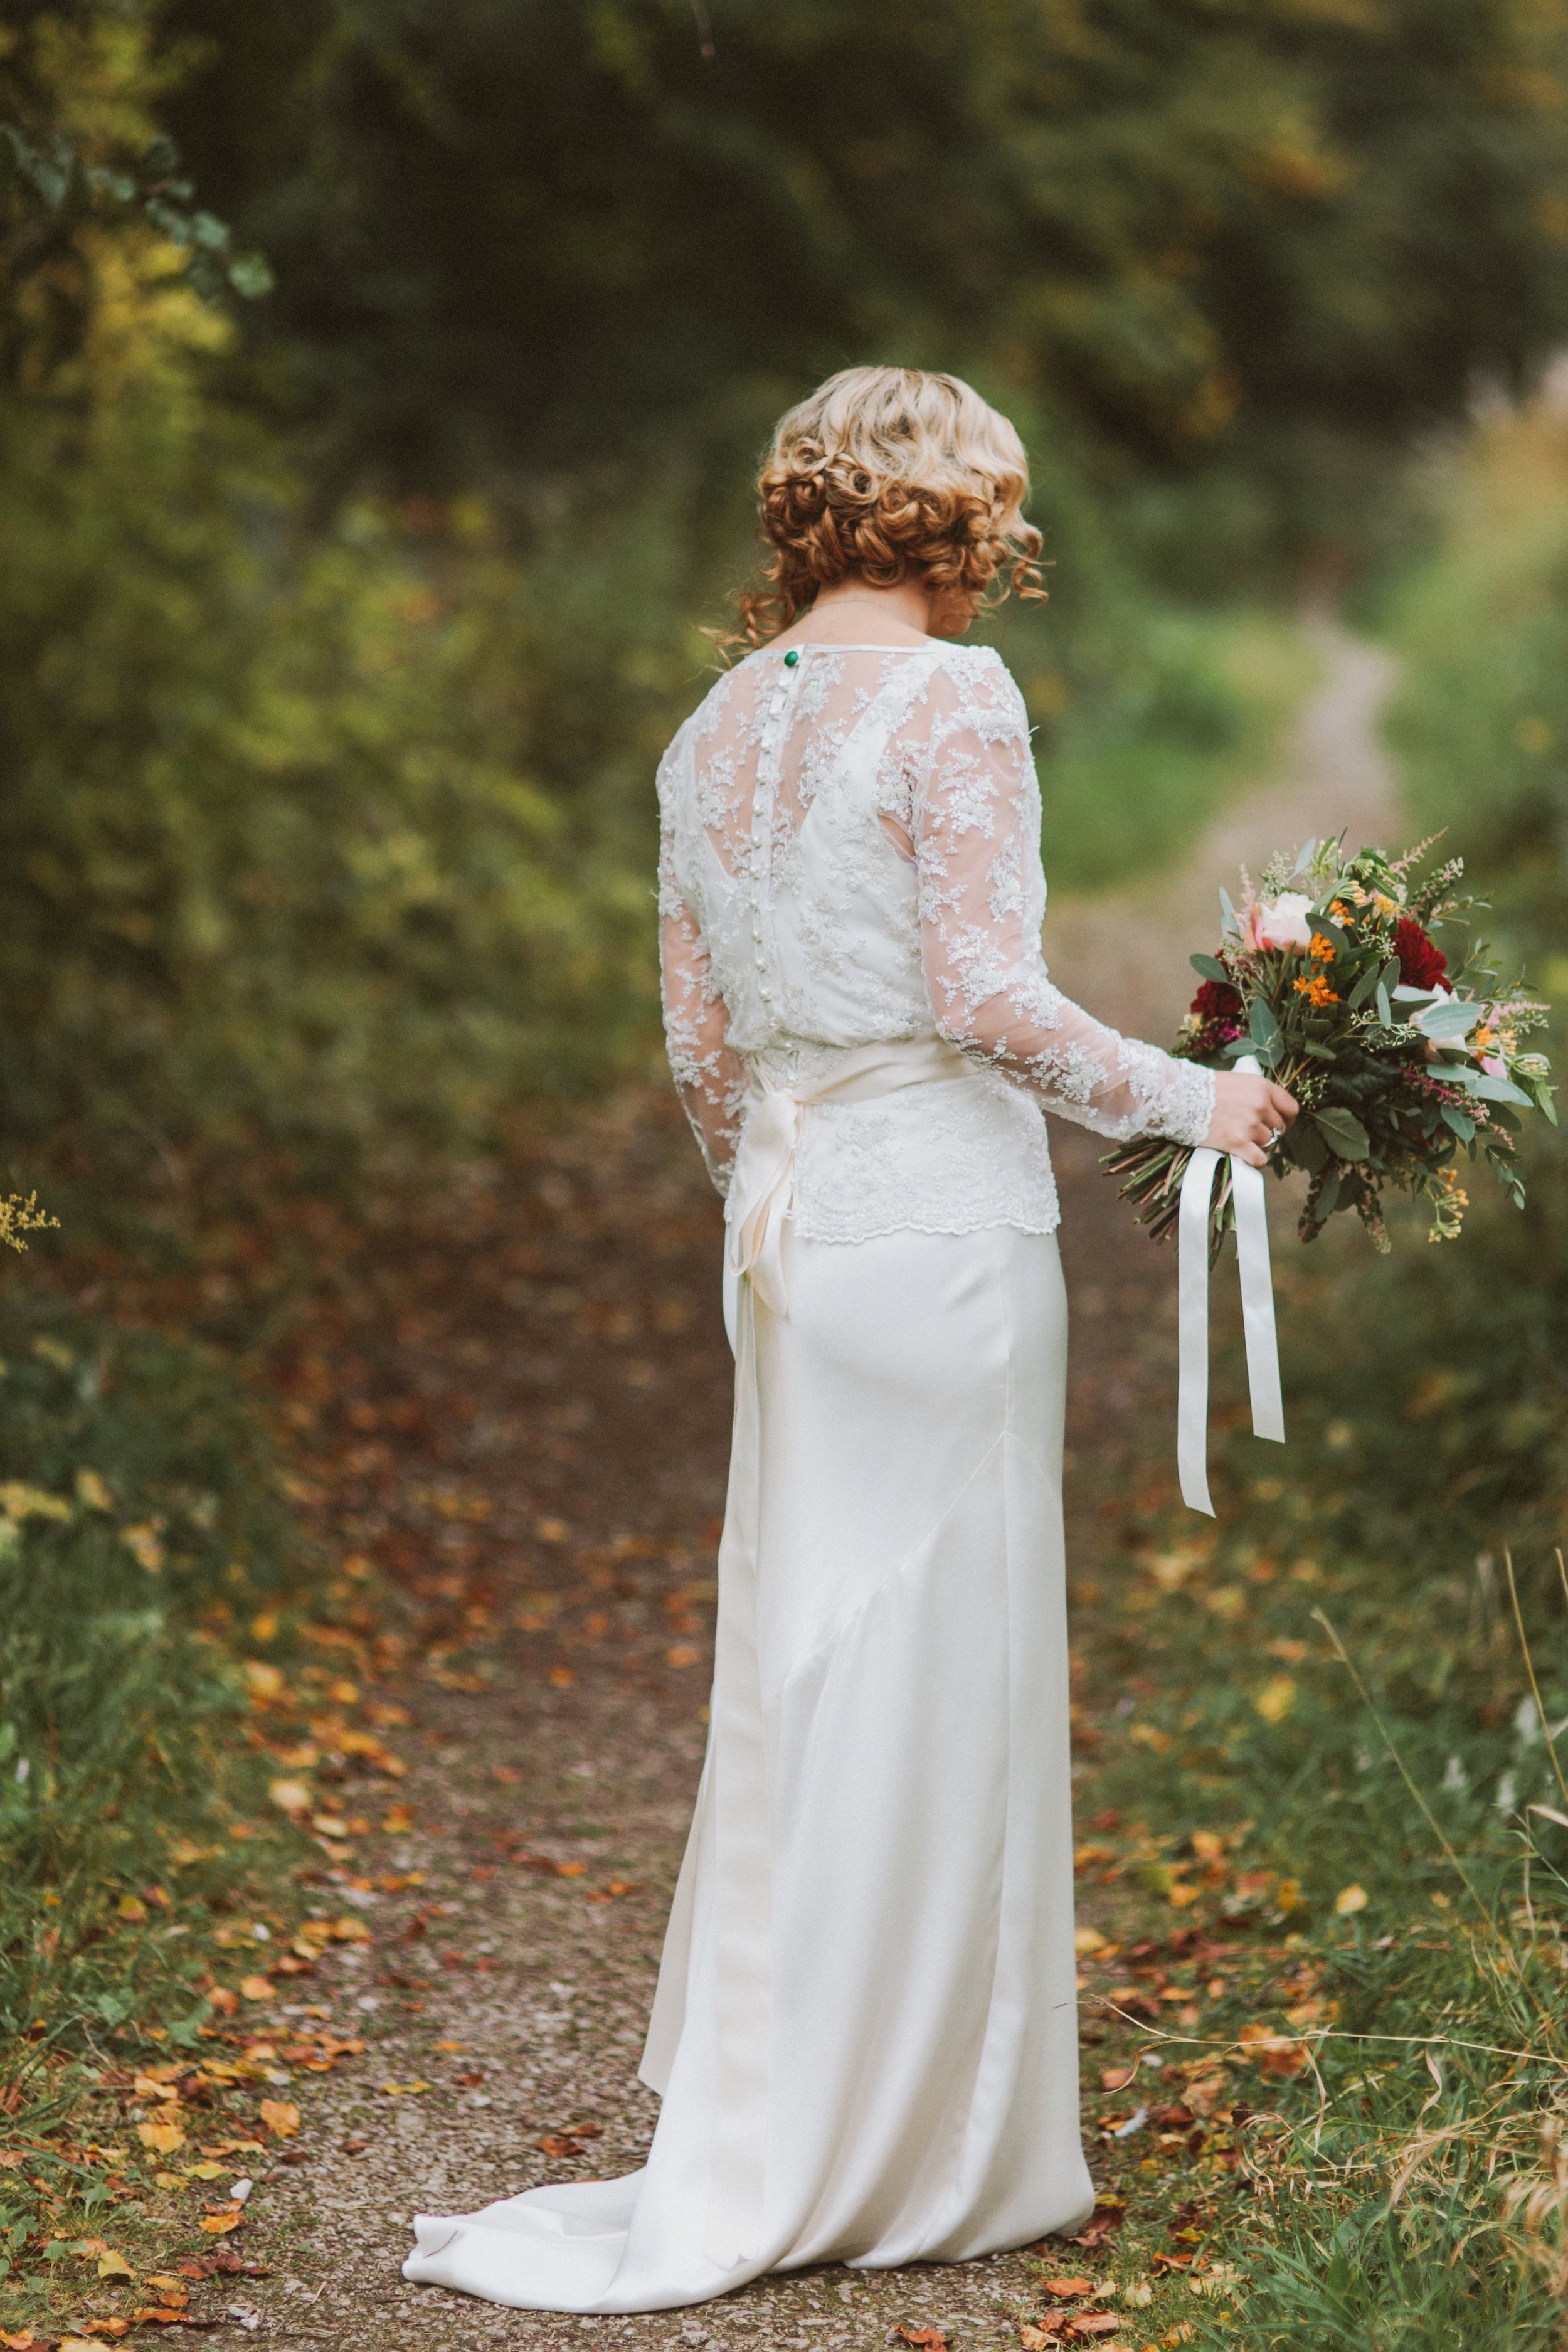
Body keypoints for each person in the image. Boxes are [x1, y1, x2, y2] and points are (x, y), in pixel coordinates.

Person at [403, 364, 1296, 2314]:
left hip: (796, 1233)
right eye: (996, 513)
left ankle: (791, 2102)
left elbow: (702, 1048)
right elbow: (983, 995)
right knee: (940, 1658)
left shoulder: (706, 728)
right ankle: (928, 2141)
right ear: (953, 519)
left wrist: (771, 1209)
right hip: (945, 1225)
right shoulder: (956, 702)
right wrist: (1189, 1098)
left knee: (810, 1655)